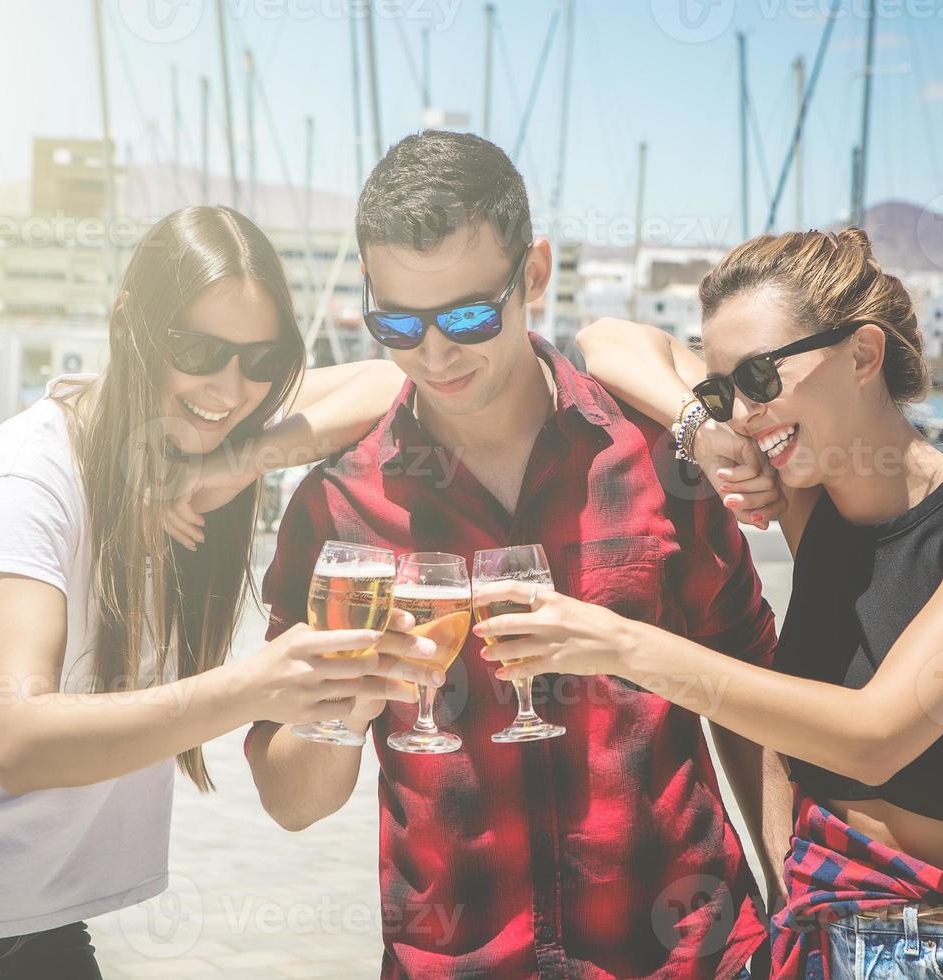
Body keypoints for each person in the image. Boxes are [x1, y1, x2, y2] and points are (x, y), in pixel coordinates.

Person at [0, 206, 441, 980]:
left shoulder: (188, 449)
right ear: (133, 325)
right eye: (197, 349)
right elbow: (18, 739)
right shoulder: (26, 482)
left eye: (263, 359)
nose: (230, 386)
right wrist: (250, 686)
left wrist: (237, 465)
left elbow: (391, 374)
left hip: (30, 918)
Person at [476, 228, 943, 977]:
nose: (743, 411)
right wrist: (700, 431)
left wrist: (621, 647)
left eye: (761, 379)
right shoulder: (815, 510)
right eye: (723, 390)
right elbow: (607, 339)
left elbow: (876, 736)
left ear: (865, 355)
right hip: (825, 930)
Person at [247, 131, 791, 978]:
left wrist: (794, 902)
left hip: (690, 959)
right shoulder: (337, 508)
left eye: (467, 316)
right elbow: (291, 801)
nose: (433, 354)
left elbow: (754, 695)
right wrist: (349, 699)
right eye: (397, 321)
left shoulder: (655, 455)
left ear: (534, 275)